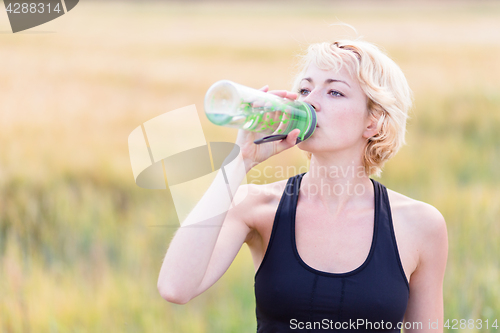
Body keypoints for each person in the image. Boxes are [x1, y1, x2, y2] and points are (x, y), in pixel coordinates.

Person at [157, 39, 448, 332]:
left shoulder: (419, 224)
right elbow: (175, 287)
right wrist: (240, 161)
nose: (310, 101)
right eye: (305, 89)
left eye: (334, 91)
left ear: (373, 122)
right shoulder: (257, 206)